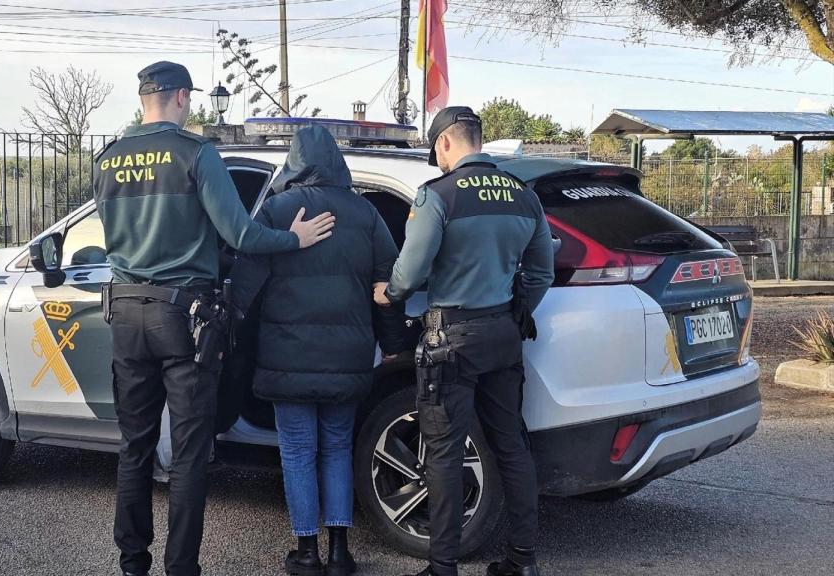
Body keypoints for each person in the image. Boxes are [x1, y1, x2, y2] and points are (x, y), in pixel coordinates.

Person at [94, 61, 336, 576]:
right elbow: (241, 236)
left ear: (144, 99)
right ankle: (181, 568)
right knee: (187, 454)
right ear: (181, 97)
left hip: (124, 314)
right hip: (183, 319)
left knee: (133, 447)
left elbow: (115, 236)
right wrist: (295, 238)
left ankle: (132, 563)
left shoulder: (108, 158)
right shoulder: (196, 154)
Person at [374, 106, 554, 576]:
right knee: (512, 446)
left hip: (449, 339)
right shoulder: (523, 195)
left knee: (445, 452)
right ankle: (523, 561)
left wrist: (389, 292)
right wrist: (517, 311)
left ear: (446, 143)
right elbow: (541, 272)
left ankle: (443, 567)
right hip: (503, 334)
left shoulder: (438, 196)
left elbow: (410, 270)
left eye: (437, 149)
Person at [230, 126, 408, 576]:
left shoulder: (275, 211)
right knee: (336, 447)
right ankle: (339, 552)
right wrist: (392, 345)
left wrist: (235, 339)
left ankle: (306, 553)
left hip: (286, 356)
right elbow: (385, 286)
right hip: (347, 357)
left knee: (297, 451)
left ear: (294, 160)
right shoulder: (366, 213)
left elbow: (246, 284)